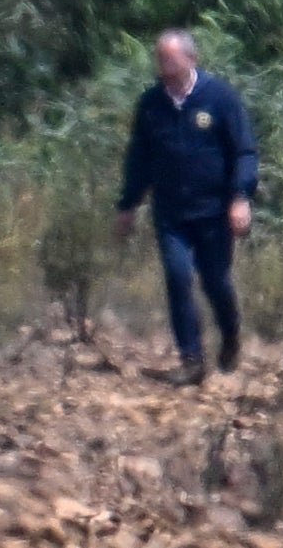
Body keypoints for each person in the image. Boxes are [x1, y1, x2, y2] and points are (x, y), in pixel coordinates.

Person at [112, 28, 261, 383]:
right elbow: (139, 159)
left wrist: (240, 197)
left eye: (170, 57)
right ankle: (191, 359)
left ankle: (230, 335)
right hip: (171, 213)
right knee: (178, 277)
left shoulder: (220, 97)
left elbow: (245, 152)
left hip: (214, 212)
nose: (163, 64)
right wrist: (129, 204)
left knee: (215, 281)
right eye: (159, 58)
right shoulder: (150, 104)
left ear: (190, 59)